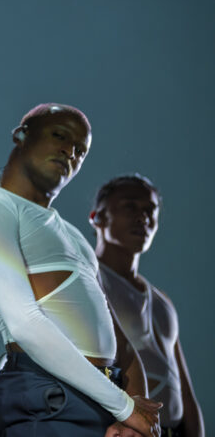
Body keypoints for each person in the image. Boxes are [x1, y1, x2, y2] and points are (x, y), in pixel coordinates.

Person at [0, 104, 162, 437]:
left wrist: (131, 418)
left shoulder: (76, 237)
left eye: (81, 150)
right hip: (48, 398)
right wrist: (125, 407)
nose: (70, 151)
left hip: (104, 401)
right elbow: (24, 323)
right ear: (22, 134)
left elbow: (120, 343)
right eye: (59, 136)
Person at [92, 174, 205, 437]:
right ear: (97, 217)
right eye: (130, 206)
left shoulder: (163, 302)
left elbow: (183, 389)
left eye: (149, 211)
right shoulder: (88, 280)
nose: (142, 217)